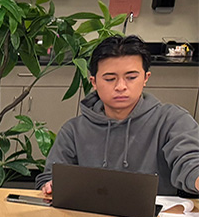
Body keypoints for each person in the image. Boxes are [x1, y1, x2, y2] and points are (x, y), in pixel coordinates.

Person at [38, 35, 199, 197]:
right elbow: (50, 176)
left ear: (145, 78)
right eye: (110, 79)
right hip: (88, 211)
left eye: (131, 78)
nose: (121, 86)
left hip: (155, 213)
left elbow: (190, 161)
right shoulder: (73, 130)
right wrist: (51, 185)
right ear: (94, 82)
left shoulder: (172, 120)